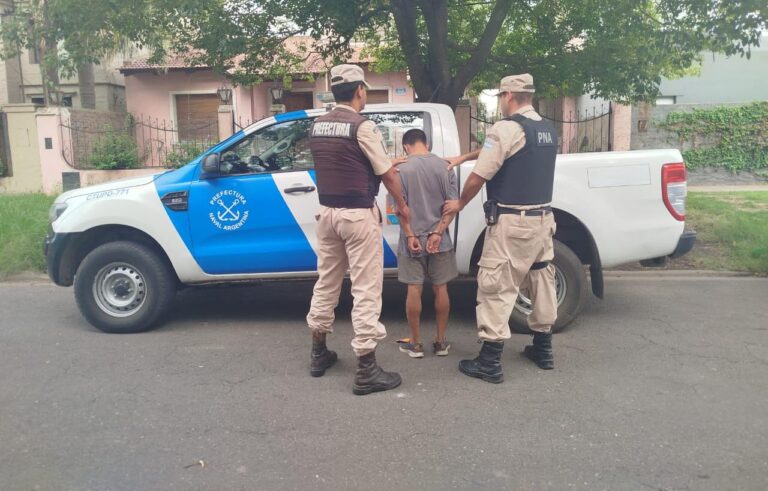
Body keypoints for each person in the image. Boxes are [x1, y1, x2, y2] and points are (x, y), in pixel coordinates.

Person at [443, 74, 558, 384]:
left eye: (500, 97)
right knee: (541, 280)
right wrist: (463, 156)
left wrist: (459, 204)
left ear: (508, 95)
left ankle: (490, 362)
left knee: (497, 285)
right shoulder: (546, 129)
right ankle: (543, 349)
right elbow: (503, 154)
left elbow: (480, 175)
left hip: (512, 224)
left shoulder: (505, 128)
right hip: (542, 221)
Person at [305, 64, 411, 396]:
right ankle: (366, 368)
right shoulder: (362, 127)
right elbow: (386, 174)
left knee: (327, 281)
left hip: (327, 214)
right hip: (357, 216)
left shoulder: (317, 126)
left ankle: (319, 352)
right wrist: (402, 205)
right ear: (360, 91)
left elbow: (342, 162)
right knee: (366, 287)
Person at [391, 129, 458, 359]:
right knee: (441, 288)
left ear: (406, 146)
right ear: (426, 143)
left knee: (414, 288)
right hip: (440, 238)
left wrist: (410, 235)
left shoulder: (400, 169)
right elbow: (452, 207)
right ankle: (440, 342)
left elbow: (399, 209)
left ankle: (416, 344)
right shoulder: (445, 166)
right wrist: (438, 232)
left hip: (412, 238)